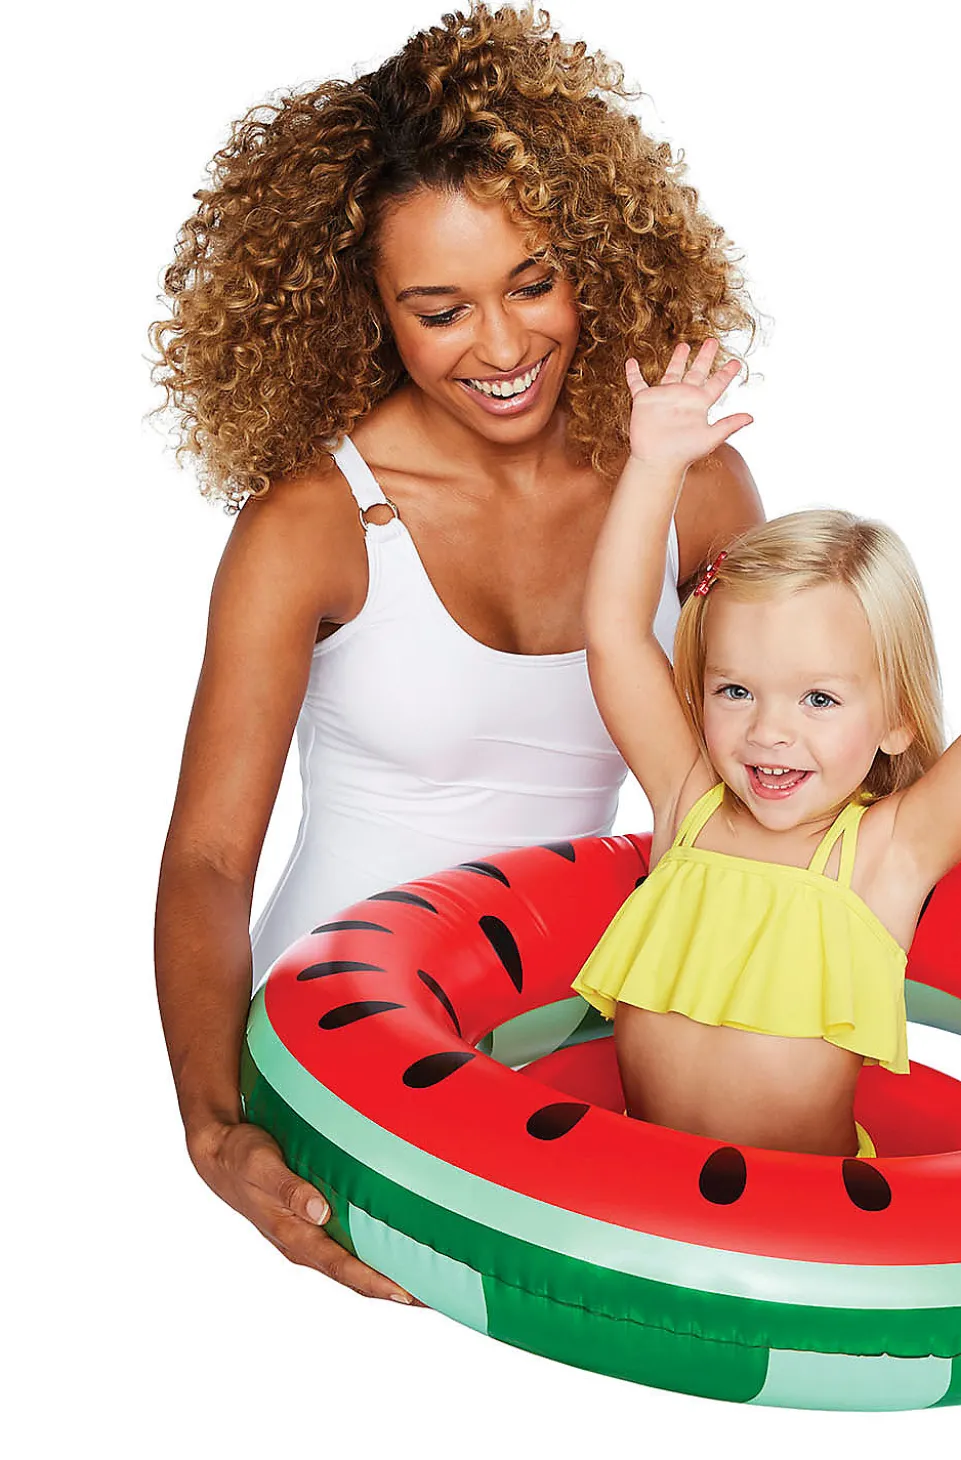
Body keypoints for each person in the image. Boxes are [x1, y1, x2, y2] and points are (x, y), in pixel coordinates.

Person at [151, 6, 762, 1304]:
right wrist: (214, 1128)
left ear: (590, 253)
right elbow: (207, 860)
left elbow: (775, 773)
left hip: (581, 1037)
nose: (502, 347)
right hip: (337, 1056)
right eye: (440, 310)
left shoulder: (688, 486)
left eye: (533, 284)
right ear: (369, 308)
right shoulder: (311, 526)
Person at [572, 339, 961, 1158]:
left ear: (897, 720)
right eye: (736, 691)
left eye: (820, 699)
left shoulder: (886, 852)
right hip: (641, 1196)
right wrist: (654, 467)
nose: (770, 731)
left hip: (812, 1218)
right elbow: (615, 634)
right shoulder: (686, 798)